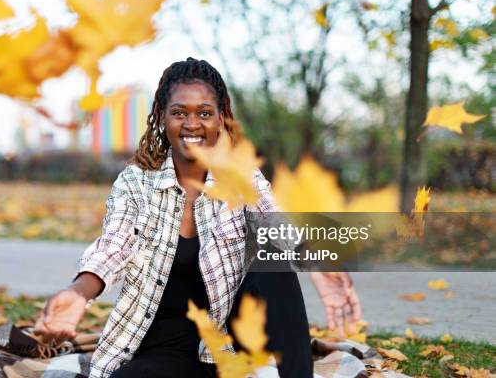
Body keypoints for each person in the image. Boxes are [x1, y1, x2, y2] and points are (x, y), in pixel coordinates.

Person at [34, 57, 362, 378]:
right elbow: (114, 246)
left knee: (272, 257)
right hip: (163, 346)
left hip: (227, 343)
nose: (192, 124)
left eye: (204, 113)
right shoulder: (135, 182)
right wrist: (78, 293)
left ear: (221, 119)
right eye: (179, 113)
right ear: (162, 118)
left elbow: (277, 224)